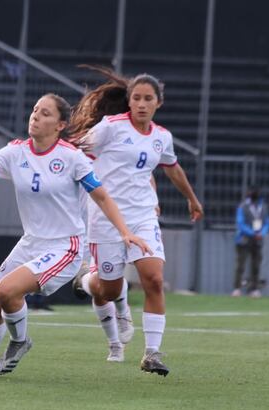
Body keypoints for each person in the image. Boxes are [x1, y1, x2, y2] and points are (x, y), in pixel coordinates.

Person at [0, 93, 150, 377]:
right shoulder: (15, 152)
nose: (36, 116)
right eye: (35, 110)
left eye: (45, 113)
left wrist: (125, 232)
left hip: (65, 245)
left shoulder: (72, 158)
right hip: (31, 242)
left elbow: (103, 197)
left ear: (59, 125)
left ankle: (20, 342)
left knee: (9, 290)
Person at [70, 69, 204, 376]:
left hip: (143, 216)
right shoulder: (109, 128)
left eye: (148, 98)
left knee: (154, 278)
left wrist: (192, 199)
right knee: (108, 289)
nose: (142, 104)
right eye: (136, 98)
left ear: (159, 102)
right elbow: (77, 151)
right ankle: (86, 281)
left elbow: (171, 169)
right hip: (105, 218)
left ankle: (152, 353)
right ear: (128, 101)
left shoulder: (162, 137)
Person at [232, 186, 269, 298]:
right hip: (243, 239)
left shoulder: (263, 206)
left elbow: (267, 222)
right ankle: (237, 288)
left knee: (256, 265)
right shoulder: (243, 206)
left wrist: (262, 233)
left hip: (257, 240)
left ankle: (254, 289)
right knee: (241, 265)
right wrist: (252, 233)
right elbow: (240, 223)